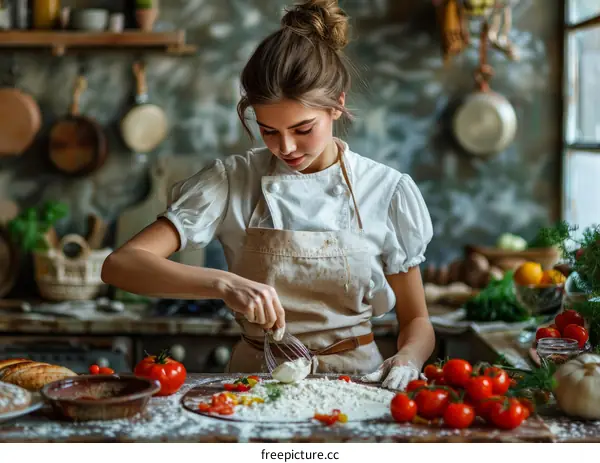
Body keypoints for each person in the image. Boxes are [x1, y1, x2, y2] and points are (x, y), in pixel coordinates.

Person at [101, 0, 435, 390]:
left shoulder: (385, 190)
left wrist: (409, 357)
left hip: (359, 381)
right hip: (256, 384)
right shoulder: (232, 180)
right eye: (269, 130)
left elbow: (417, 320)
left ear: (337, 105)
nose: (287, 147)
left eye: (303, 128)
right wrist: (224, 284)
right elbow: (121, 265)